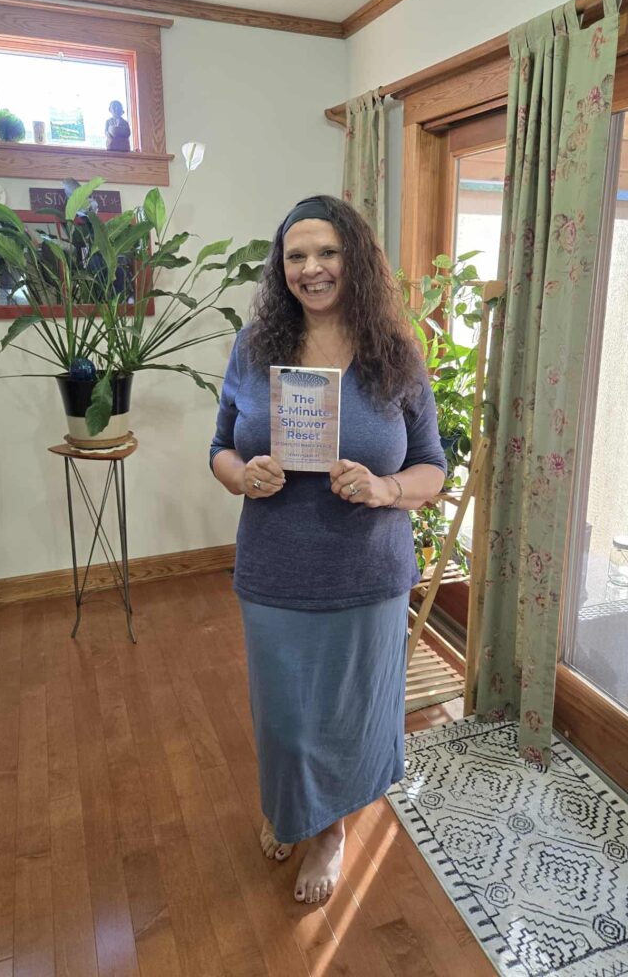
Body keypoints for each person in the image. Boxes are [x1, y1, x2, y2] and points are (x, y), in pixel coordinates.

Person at [209, 195, 446, 904]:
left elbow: (431, 467)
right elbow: (220, 447)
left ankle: (331, 829)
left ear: (356, 260)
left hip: (368, 575)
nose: (311, 268)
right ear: (280, 268)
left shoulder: (395, 353)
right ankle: (292, 807)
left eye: (327, 253)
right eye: (296, 256)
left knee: (350, 716)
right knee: (285, 718)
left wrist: (386, 488)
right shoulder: (255, 348)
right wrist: (241, 476)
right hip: (276, 570)